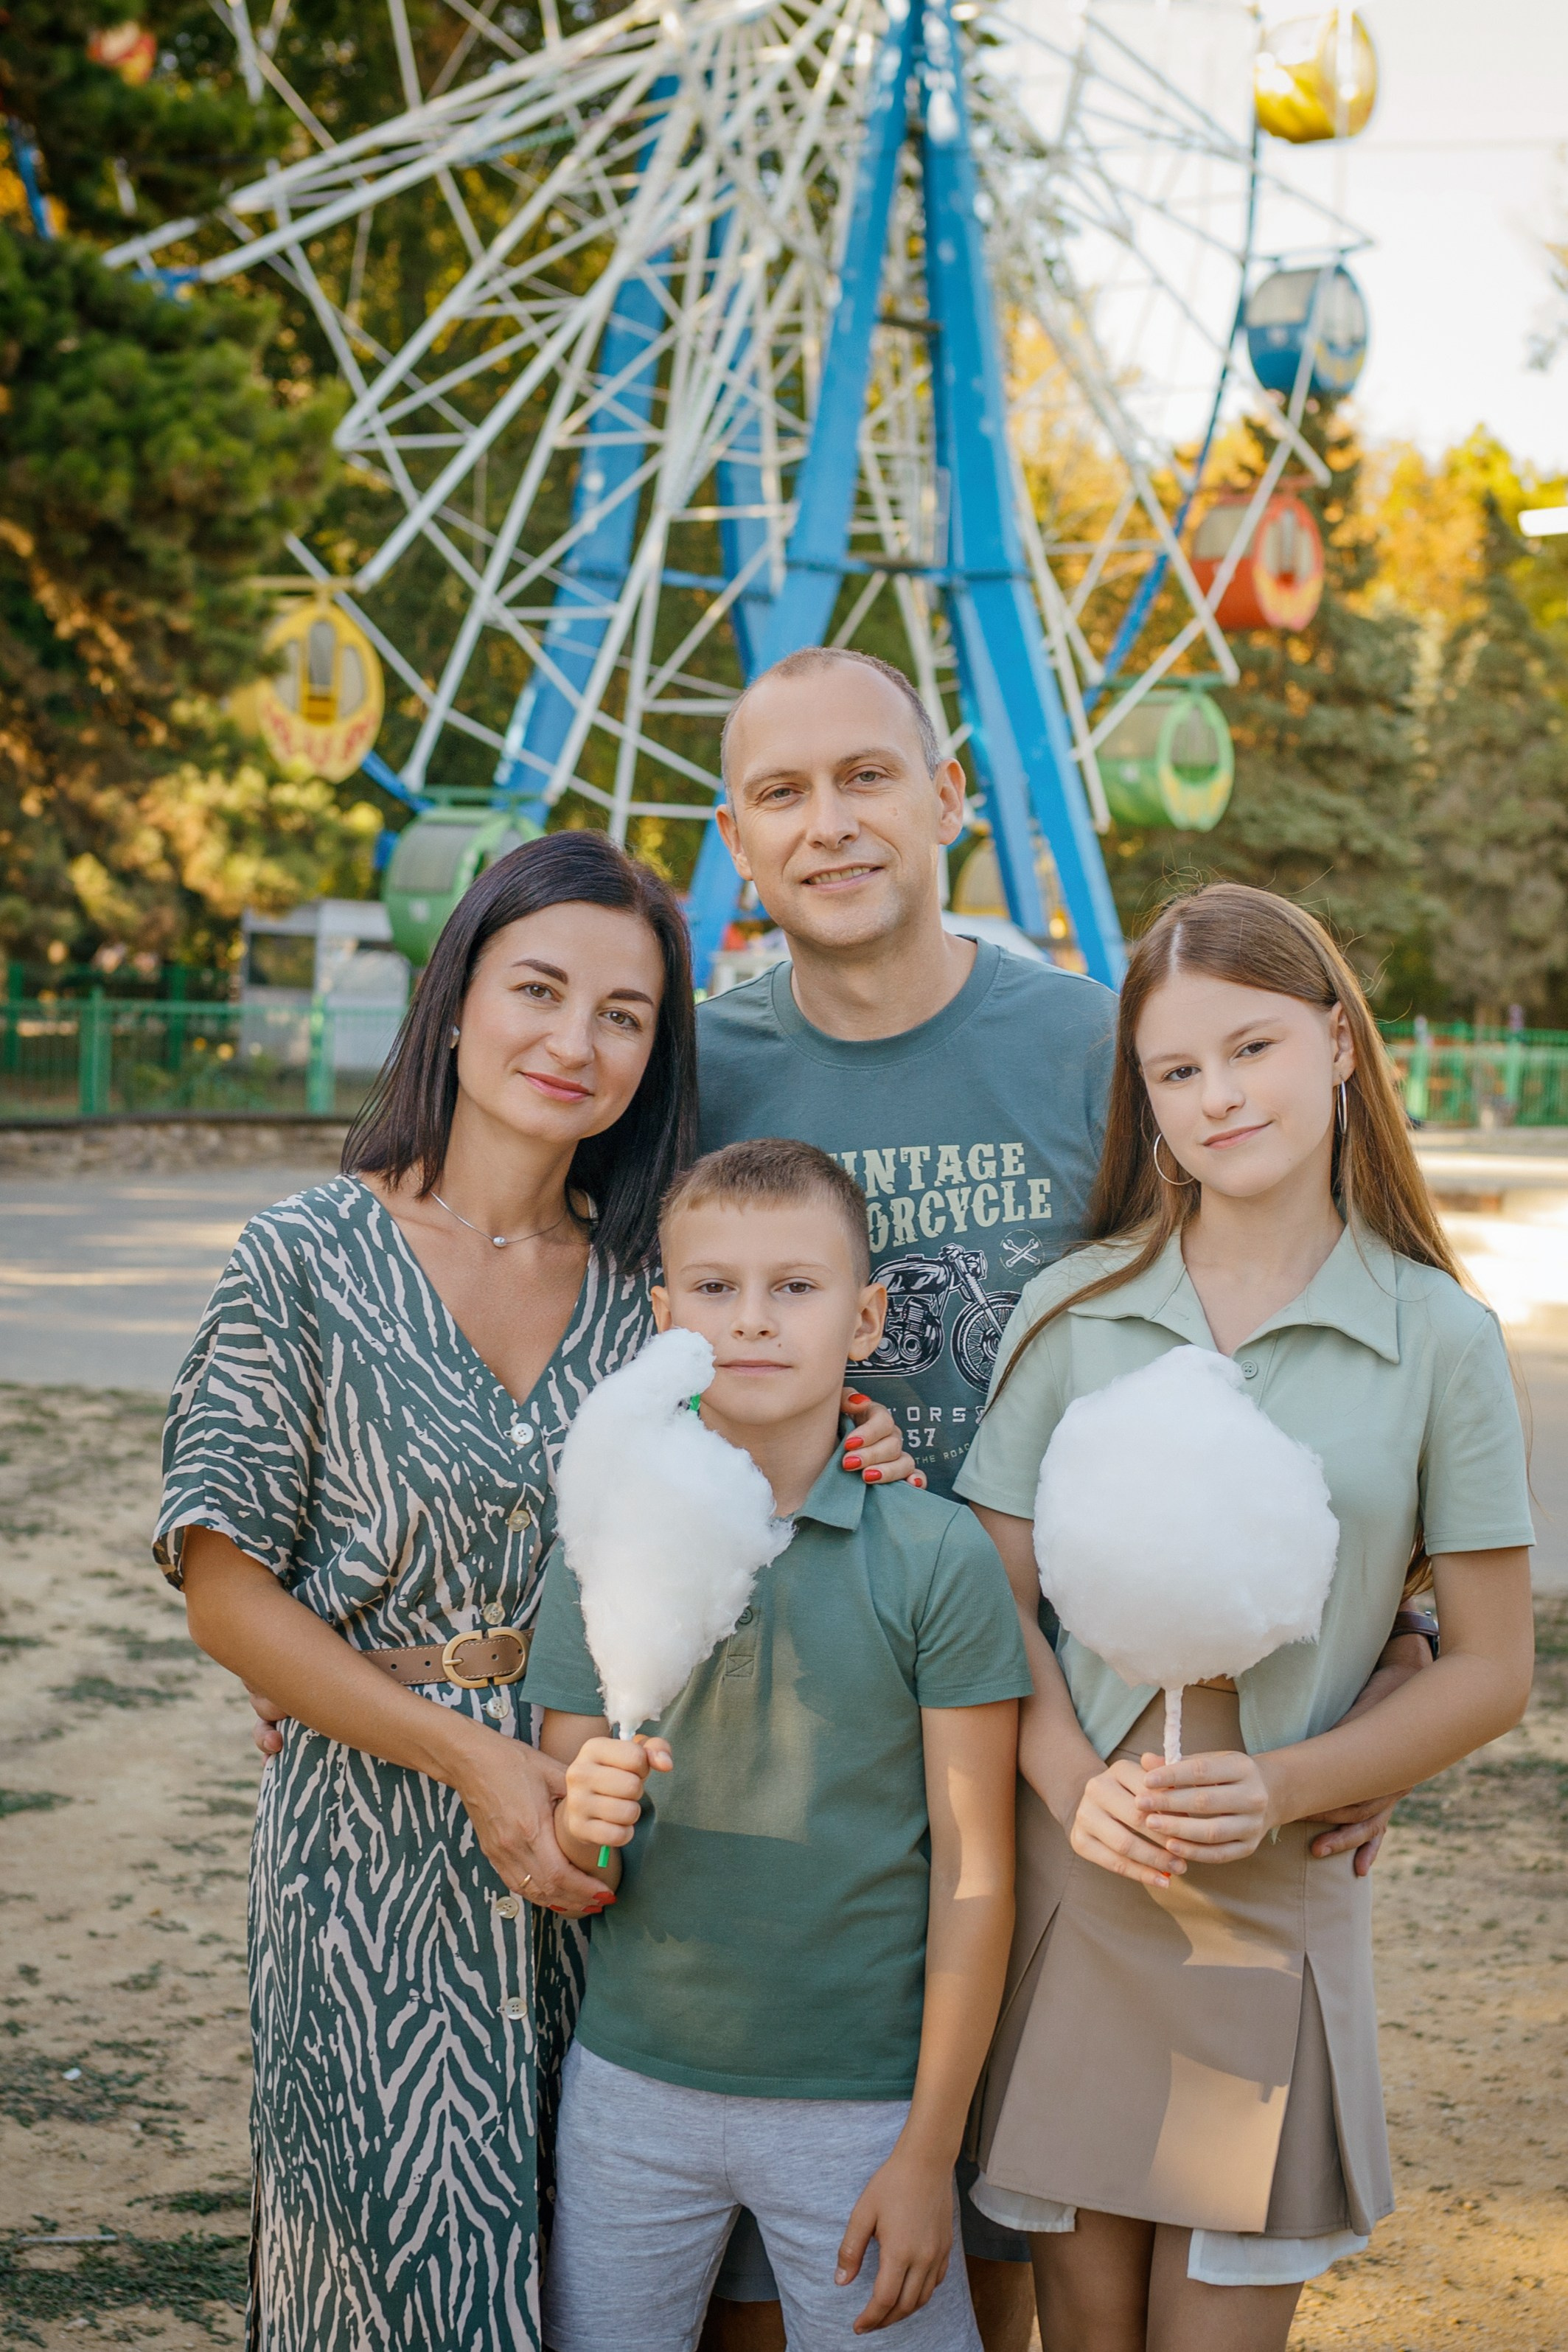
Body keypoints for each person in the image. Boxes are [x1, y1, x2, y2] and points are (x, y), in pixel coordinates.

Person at [692, 646, 1428, 2347]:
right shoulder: (699, 1071)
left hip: (1055, 1742)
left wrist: (1381, 1651)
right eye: (781, 792)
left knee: (1010, 2235)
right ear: (735, 839)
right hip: (785, 1726)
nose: (828, 822)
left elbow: (1251, 1322)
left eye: (867, 775)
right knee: (781, 2264)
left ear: (949, 795)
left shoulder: (1089, 1044)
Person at [158, 834, 912, 2352]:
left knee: (613, 2285)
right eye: (540, 989)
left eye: (624, 1013)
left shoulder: (662, 1292)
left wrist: (861, 1438)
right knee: (393, 2279)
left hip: (629, 1848)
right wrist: (473, 1758)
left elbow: (774, 1475)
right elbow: (226, 1590)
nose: (576, 1039)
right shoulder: (303, 1258)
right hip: (369, 1857)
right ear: (454, 1000)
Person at [952, 882, 1535, 2351]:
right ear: (1145, 1101)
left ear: (1337, 1043)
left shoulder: (1438, 1337)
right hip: (1082, 1876)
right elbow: (984, 1595)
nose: (1217, 1094)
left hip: (1275, 1893)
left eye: (1251, 1046)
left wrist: (1288, 1782)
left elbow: (1489, 1669)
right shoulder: (1076, 1309)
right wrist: (1070, 1786)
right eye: (1176, 1069)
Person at [523, 1140, 1033, 2349]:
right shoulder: (607, 1539)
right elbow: (568, 1849)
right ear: (663, 1318)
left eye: (795, 1287)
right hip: (633, 2084)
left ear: (865, 1319)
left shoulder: (934, 1554)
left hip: (865, 2103)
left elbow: (974, 1870)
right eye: (715, 1287)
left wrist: (929, 2148)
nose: (752, 1318)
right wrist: (581, 1816)